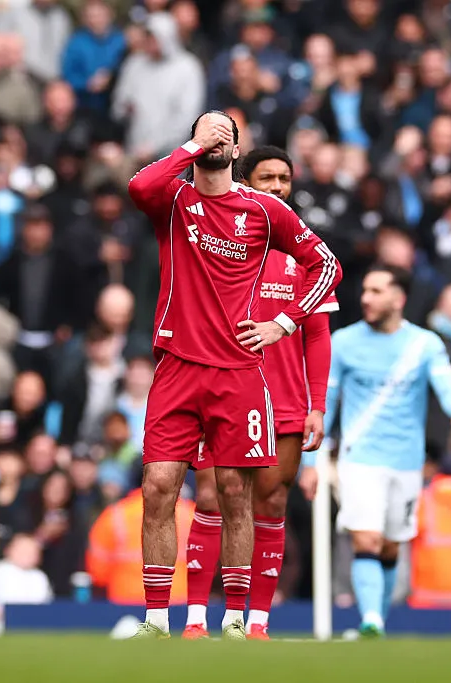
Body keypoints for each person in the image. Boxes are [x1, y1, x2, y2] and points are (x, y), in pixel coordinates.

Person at [126, 111, 341, 639]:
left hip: (240, 372)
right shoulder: (175, 202)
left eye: (226, 134)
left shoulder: (265, 211)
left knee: (235, 492)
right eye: (209, 131)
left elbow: (327, 264)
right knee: (158, 487)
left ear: (238, 149)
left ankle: (238, 621)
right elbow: (140, 184)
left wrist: (282, 323)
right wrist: (190, 146)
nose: (218, 139)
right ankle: (157, 619)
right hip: (177, 366)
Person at [182, 146, 338, 640]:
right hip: (221, 394)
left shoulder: (305, 252)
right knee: (210, 499)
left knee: (271, 505)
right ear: (243, 182)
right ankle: (194, 620)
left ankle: (257, 623)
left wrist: (317, 405)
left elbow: (317, 335)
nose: (276, 186)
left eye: (284, 179)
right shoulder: (219, 242)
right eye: (266, 177)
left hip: (286, 400)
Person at [301, 264, 451, 638]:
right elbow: (325, 403)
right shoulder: (345, 342)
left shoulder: (424, 344)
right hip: (359, 456)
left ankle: (376, 621)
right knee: (366, 537)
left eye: (376, 291)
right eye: (365, 290)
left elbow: (445, 383)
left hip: (406, 461)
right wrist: (311, 461)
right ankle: (371, 620)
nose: (366, 298)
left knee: (391, 545)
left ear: (399, 298)